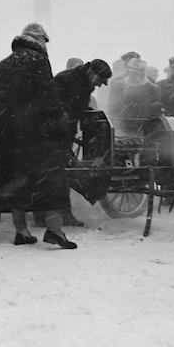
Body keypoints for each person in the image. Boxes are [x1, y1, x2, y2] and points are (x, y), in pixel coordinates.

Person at [0, 23, 77, 249]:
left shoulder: (3, 64)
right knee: (53, 181)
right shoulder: (38, 61)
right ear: (38, 40)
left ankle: (22, 231)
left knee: (18, 182)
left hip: (8, 135)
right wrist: (60, 123)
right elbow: (49, 95)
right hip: (35, 133)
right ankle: (55, 231)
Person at [45, 59, 112, 227]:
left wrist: (88, 114)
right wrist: (63, 125)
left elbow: (76, 107)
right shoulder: (69, 80)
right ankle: (55, 216)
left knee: (62, 174)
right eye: (99, 81)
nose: (99, 85)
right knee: (60, 174)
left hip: (62, 133)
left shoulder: (81, 82)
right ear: (92, 73)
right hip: (54, 133)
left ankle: (55, 215)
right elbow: (57, 106)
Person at [117, 58, 162, 135]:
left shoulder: (153, 88)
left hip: (146, 128)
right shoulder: (119, 86)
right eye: (133, 73)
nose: (134, 76)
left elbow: (157, 112)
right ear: (128, 72)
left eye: (137, 73)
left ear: (142, 73)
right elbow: (113, 109)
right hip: (123, 126)